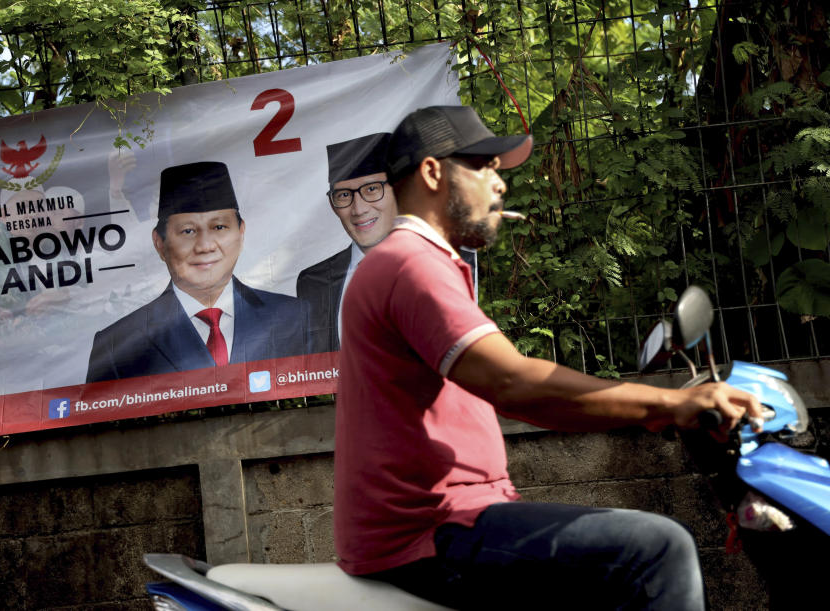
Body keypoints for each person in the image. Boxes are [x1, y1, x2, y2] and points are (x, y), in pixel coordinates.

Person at [332, 105, 764, 610]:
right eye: (485, 166)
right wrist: (669, 405)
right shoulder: (410, 264)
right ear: (432, 172)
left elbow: (526, 392)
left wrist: (657, 409)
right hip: (430, 531)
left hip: (450, 520)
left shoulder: (411, 262)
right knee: (657, 549)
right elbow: (516, 384)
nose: (500, 185)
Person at [85, 161, 306, 382]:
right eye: (188, 231)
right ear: (159, 243)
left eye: (219, 227)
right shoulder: (117, 345)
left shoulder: (295, 317)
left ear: (241, 232)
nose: (205, 246)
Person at [297, 133, 396, 353]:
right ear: (333, 206)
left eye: (372, 189)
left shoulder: (441, 263)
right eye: (343, 195)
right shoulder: (314, 281)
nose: (359, 209)